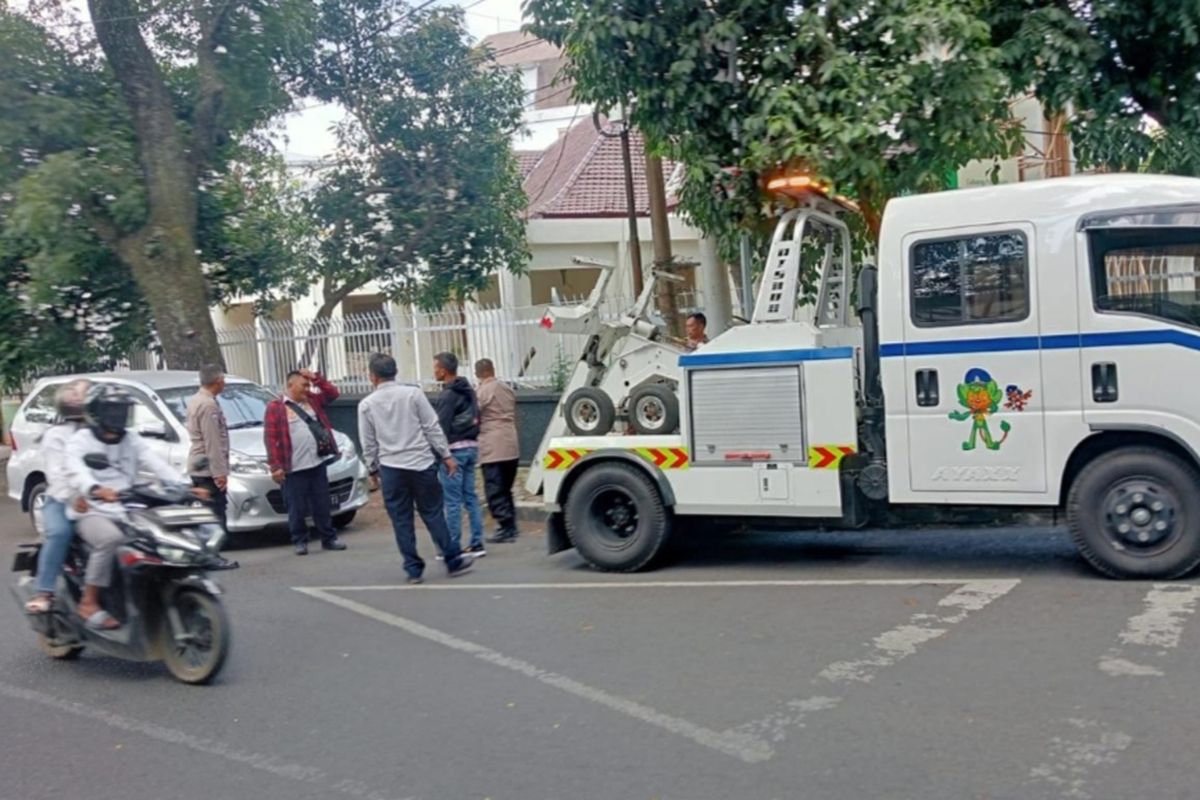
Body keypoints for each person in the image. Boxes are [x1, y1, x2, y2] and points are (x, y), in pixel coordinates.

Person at [66, 384, 207, 630]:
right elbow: (75, 470)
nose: (118, 415)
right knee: (110, 539)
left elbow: (155, 463)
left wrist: (185, 486)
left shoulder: (130, 439)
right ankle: (89, 602)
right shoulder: (81, 440)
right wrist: (95, 489)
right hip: (92, 509)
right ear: (97, 412)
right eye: (112, 410)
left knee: (158, 538)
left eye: (122, 410)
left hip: (126, 506)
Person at [358, 353, 474, 584]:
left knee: (401, 520)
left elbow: (368, 442)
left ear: (372, 377)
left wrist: (372, 470)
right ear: (395, 372)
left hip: (391, 468)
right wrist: (446, 455)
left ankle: (413, 569)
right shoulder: (413, 394)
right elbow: (432, 427)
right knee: (432, 513)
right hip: (421, 464)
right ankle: (453, 559)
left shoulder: (367, 405)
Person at [23, 380, 91, 615]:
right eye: (78, 394)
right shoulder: (56, 436)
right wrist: (76, 498)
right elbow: (57, 476)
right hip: (62, 501)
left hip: (101, 502)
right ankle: (44, 591)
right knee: (60, 533)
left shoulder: (104, 431)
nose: (80, 398)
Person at [263, 369, 347, 556]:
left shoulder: (312, 401)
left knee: (321, 503)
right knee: (296, 506)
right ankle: (300, 540)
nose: (307, 389)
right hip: (293, 467)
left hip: (316, 462)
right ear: (291, 385)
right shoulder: (276, 407)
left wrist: (316, 379)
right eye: (303, 385)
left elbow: (332, 394)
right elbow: (271, 438)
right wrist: (275, 466)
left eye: (308, 385)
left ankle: (328, 538)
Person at [432, 352, 485, 556]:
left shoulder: (447, 395)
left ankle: (452, 546)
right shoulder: (468, 390)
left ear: (443, 370)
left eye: (435, 367)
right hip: (472, 447)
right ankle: (477, 543)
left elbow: (441, 427)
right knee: (470, 496)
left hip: (453, 451)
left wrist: (440, 456)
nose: (434, 371)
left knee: (452, 501)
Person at [474, 359, 520, 544]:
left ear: (478, 374)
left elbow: (473, 413)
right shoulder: (507, 389)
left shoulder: (482, 391)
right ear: (492, 369)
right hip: (511, 442)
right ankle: (512, 525)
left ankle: (505, 526)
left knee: (494, 489)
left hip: (492, 446)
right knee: (507, 488)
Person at [186, 364, 230, 530]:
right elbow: (212, 441)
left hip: (200, 464)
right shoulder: (207, 405)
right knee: (215, 512)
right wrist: (219, 473)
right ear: (218, 381)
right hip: (207, 468)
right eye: (223, 379)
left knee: (208, 512)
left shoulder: (197, 399)